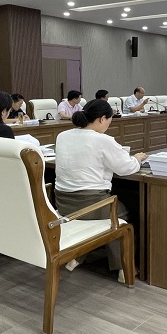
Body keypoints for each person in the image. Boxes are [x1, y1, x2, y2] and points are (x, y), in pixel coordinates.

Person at [55, 100, 148, 282]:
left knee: (109, 211)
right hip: (91, 204)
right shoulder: (103, 140)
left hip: (64, 205)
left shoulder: (62, 136)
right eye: (109, 121)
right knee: (125, 215)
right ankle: (124, 269)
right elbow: (126, 168)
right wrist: (137, 159)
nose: (107, 126)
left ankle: (77, 256)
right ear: (101, 119)